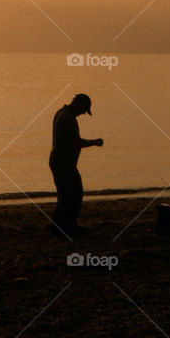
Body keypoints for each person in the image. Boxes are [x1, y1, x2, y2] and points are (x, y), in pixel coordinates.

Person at [49, 93, 103, 237]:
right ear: (78, 104)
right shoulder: (68, 118)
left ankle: (61, 226)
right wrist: (95, 142)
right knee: (73, 194)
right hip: (63, 163)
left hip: (61, 162)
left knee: (66, 195)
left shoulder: (61, 113)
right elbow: (76, 142)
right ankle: (66, 226)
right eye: (83, 110)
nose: (82, 113)